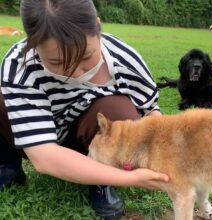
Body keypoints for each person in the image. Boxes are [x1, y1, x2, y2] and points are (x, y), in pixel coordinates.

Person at [0, 0, 169, 219]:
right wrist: (132, 178)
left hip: (91, 141)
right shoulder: (19, 65)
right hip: (36, 140)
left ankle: (102, 180)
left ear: (98, 27)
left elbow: (151, 113)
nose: (75, 72)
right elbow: (45, 157)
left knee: (117, 110)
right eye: (57, 62)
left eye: (86, 56)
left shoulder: (124, 59)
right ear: (31, 42)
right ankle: (7, 165)